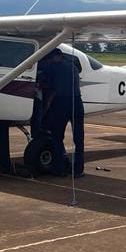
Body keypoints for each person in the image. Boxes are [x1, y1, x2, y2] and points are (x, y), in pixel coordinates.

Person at [40, 48, 85, 177]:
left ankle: (59, 167)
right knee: (79, 139)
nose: (51, 61)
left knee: (57, 136)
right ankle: (78, 169)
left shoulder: (54, 68)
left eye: (52, 58)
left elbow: (46, 83)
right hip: (77, 103)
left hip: (62, 103)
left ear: (58, 56)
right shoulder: (73, 67)